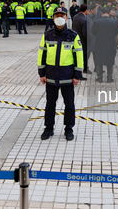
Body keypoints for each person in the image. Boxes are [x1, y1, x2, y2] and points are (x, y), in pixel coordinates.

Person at [38, 7, 84, 141]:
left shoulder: (73, 35)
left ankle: (69, 128)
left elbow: (79, 56)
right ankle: (48, 128)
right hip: (51, 76)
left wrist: (77, 75)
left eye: (62, 15)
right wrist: (42, 73)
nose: (59, 17)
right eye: (57, 15)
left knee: (69, 104)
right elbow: (42, 54)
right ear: (53, 18)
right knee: (50, 104)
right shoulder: (47, 35)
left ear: (66, 18)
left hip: (67, 77)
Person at [92, 7, 118, 82]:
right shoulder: (113, 22)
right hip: (110, 43)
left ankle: (99, 77)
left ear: (102, 13)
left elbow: (93, 31)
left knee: (99, 61)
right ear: (109, 12)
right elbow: (116, 32)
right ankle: (109, 78)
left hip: (99, 43)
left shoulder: (97, 22)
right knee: (110, 61)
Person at [72, 3, 89, 74]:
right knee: (84, 55)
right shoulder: (84, 20)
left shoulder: (75, 16)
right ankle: (85, 68)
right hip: (82, 40)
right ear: (86, 10)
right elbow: (85, 33)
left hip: (75, 39)